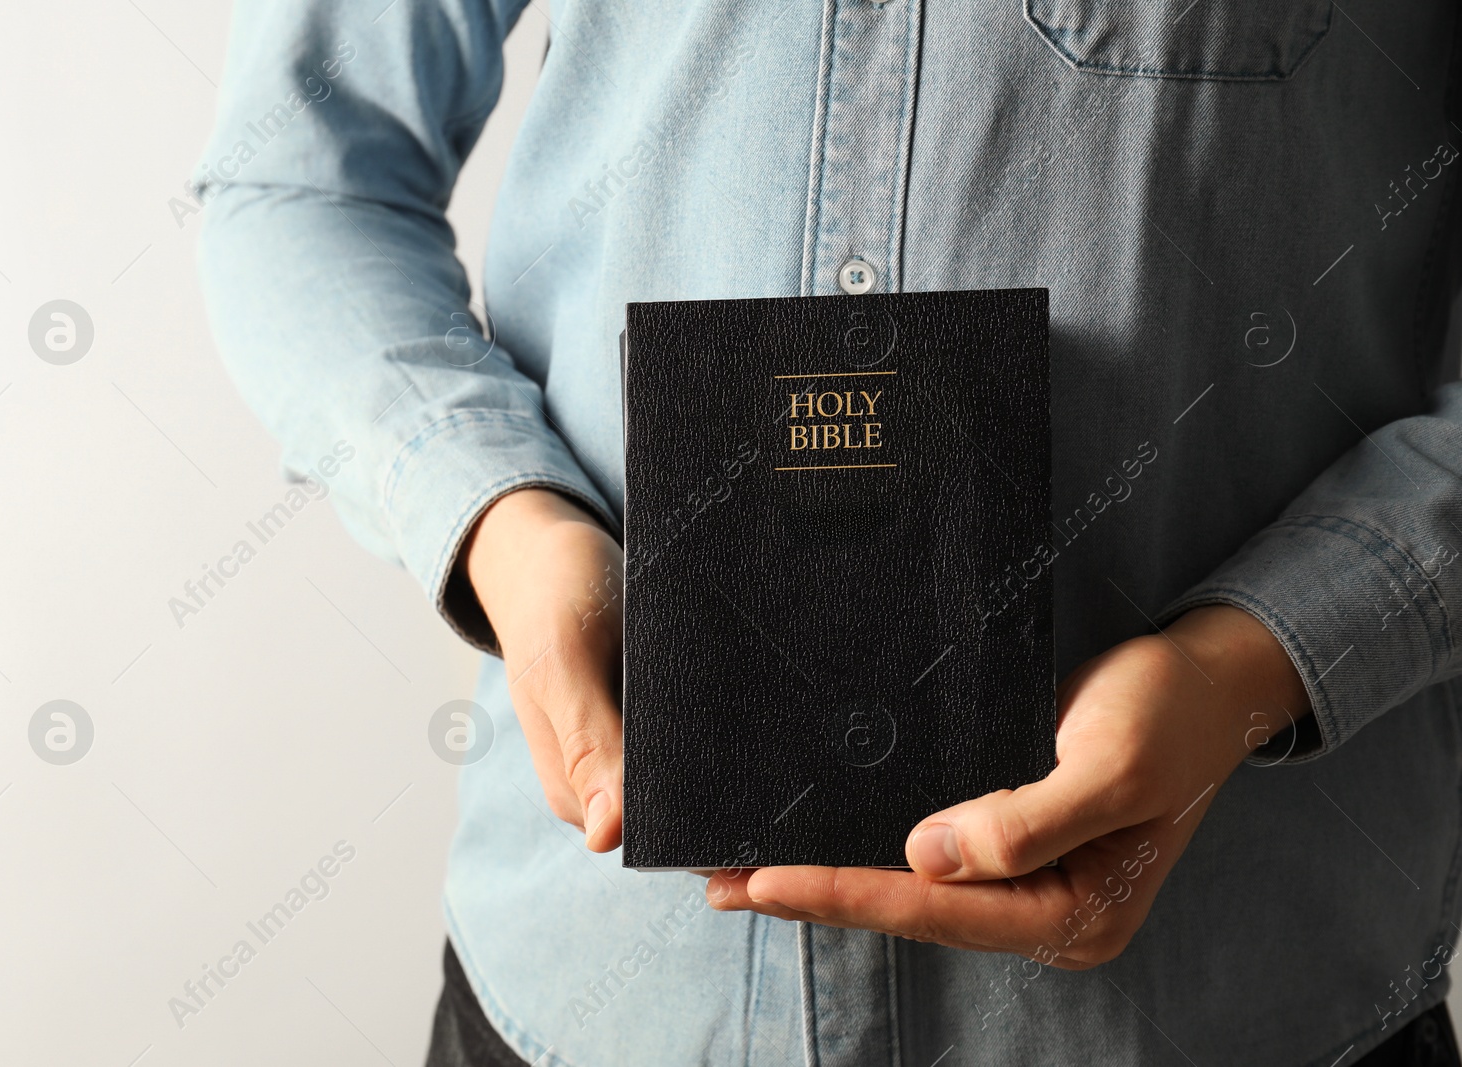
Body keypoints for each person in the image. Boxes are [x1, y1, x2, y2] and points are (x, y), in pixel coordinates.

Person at [195, 1, 1462, 1063]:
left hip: (1239, 995)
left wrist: (1253, 664)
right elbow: (298, 172)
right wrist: (504, 524)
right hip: (599, 987)